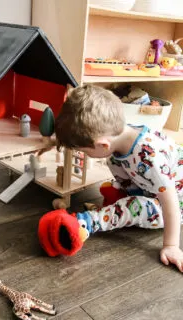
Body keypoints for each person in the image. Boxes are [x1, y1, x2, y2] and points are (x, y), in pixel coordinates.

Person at [54, 84, 183, 272]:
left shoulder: (149, 159)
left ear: (102, 144)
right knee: (114, 163)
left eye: (84, 152)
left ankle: (88, 222)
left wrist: (171, 245)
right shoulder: (120, 136)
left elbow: (170, 202)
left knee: (134, 207)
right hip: (153, 187)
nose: (84, 155)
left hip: (176, 205)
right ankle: (124, 196)